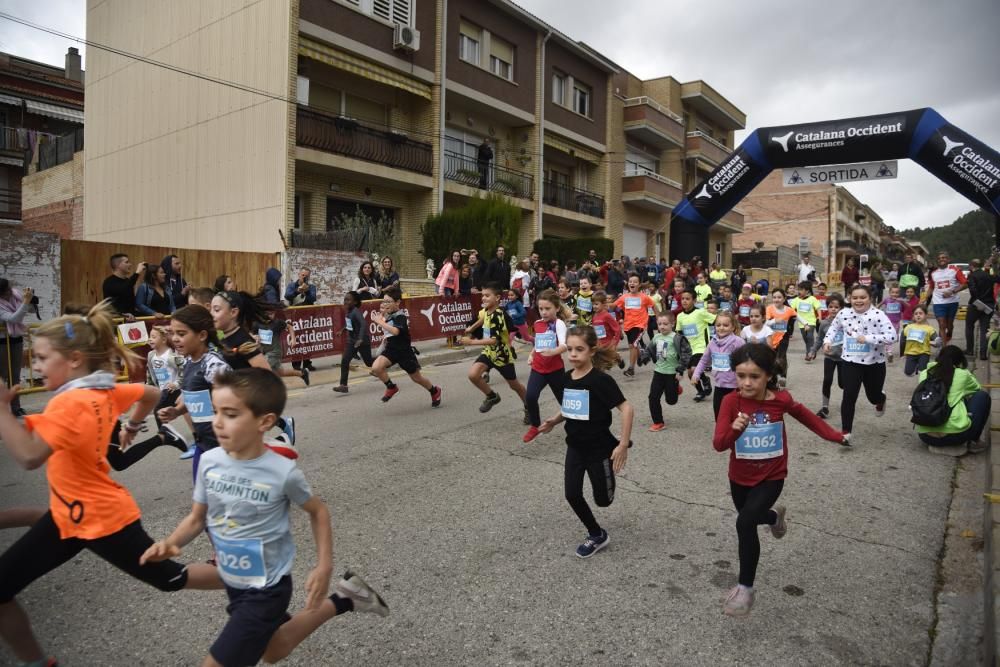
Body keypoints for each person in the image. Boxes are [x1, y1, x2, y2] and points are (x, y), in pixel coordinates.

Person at [0, 302, 224, 667]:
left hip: (102, 518)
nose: (34, 366)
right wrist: (132, 427)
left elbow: (28, 457)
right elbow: (149, 395)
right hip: (69, 517)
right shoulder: (97, 391)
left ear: (73, 359)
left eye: (41, 358)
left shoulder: (69, 403)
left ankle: (249, 583)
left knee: (170, 579)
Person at [143, 368, 389, 667]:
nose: (217, 422)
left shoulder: (281, 472)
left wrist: (323, 565)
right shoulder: (209, 461)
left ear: (265, 421)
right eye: (215, 411)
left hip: (267, 589)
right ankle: (346, 598)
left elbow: (318, 511)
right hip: (235, 582)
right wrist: (171, 542)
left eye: (230, 414)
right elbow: (197, 518)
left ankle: (343, 597)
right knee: (274, 650)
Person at [712, 344, 847, 617]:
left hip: (772, 475)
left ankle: (745, 589)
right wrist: (734, 430)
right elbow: (719, 444)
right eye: (741, 376)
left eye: (755, 376)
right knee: (751, 517)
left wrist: (834, 435)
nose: (747, 383)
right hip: (739, 476)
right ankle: (774, 517)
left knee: (744, 521)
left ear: (768, 375)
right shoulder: (730, 402)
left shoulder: (781, 400)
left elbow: (807, 417)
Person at [537, 325, 634, 559]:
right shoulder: (566, 378)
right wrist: (555, 420)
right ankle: (597, 533)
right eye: (569, 349)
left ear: (591, 351)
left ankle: (612, 459)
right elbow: (571, 407)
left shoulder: (600, 381)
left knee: (603, 500)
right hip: (575, 446)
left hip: (599, 448)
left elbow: (627, 408)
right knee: (572, 493)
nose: (572, 355)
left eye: (578, 350)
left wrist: (623, 444)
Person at [210, 291, 298, 445]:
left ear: (233, 312)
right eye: (211, 309)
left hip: (246, 405)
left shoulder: (243, 341)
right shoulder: (225, 338)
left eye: (216, 310)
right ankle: (283, 434)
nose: (212, 314)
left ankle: (283, 440)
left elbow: (266, 376)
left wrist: (255, 405)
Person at [160, 304, 233, 471]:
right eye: (173, 333)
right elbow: (198, 398)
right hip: (204, 444)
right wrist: (177, 411)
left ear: (202, 335)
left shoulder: (213, 366)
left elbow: (235, 405)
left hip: (224, 446)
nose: (175, 339)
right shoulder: (188, 362)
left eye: (181, 333)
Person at [822, 284, 897, 446]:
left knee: (873, 396)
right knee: (849, 395)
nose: (858, 301)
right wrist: (827, 341)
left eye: (862, 297)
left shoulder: (878, 315)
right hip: (850, 361)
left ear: (870, 298)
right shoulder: (844, 313)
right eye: (854, 298)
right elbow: (833, 328)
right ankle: (845, 432)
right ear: (849, 298)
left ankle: (880, 399)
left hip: (874, 363)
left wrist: (868, 338)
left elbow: (892, 336)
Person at [371, 287, 442, 407]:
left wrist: (380, 322)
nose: (385, 304)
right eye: (384, 301)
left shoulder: (400, 316)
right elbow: (387, 331)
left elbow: (396, 331)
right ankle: (391, 387)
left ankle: (434, 390)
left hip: (404, 352)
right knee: (376, 368)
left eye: (388, 301)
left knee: (417, 378)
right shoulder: (387, 314)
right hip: (392, 350)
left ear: (397, 302)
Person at [915, 346, 992, 456]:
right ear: (960, 361)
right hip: (956, 437)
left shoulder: (925, 373)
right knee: (982, 396)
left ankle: (938, 444)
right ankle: (972, 442)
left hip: (926, 436)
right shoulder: (962, 374)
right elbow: (977, 388)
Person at [459, 283, 524, 413]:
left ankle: (529, 406)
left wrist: (470, 342)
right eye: (482, 295)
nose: (483, 298)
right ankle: (492, 396)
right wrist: (472, 328)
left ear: (497, 297)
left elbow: (493, 341)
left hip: (502, 355)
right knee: (473, 375)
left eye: (487, 296)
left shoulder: (498, 316)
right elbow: (483, 318)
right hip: (489, 353)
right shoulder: (487, 310)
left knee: (514, 385)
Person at [518, 290, 571, 443]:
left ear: (557, 309)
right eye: (541, 309)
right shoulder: (537, 324)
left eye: (548, 309)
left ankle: (578, 424)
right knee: (530, 396)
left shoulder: (559, 324)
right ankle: (535, 426)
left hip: (555, 370)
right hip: (538, 368)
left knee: (565, 402)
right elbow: (539, 343)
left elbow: (565, 345)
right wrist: (532, 354)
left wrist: (553, 352)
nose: (544, 312)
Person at [640, 312, 690, 431]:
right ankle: (658, 422)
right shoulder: (656, 337)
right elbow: (649, 349)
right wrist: (644, 357)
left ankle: (676, 387)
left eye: (665, 324)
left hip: (672, 373)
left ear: (672, 324)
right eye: (659, 324)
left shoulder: (677, 338)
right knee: (653, 397)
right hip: (658, 371)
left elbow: (686, 353)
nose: (662, 326)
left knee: (671, 401)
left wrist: (680, 369)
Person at [692, 311, 745, 418]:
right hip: (719, 385)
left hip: (735, 386)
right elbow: (704, 360)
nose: (721, 328)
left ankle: (737, 433)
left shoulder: (738, 342)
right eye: (718, 325)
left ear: (733, 327)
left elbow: (746, 362)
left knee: (735, 415)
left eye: (725, 325)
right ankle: (723, 433)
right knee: (718, 415)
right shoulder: (712, 342)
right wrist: (696, 374)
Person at [676, 289, 717, 401]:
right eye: (683, 299)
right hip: (689, 349)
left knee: (694, 369)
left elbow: (716, 320)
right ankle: (700, 390)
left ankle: (704, 380)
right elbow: (679, 334)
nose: (684, 301)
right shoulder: (680, 316)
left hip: (701, 347)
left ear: (694, 300)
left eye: (687, 299)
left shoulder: (701, 312)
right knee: (690, 373)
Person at [613, 275, 657, 377]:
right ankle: (642, 355)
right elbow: (614, 306)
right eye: (630, 281)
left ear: (639, 284)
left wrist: (659, 318)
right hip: (628, 326)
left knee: (633, 345)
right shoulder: (624, 297)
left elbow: (653, 305)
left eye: (635, 282)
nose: (632, 283)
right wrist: (603, 305)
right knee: (632, 345)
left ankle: (631, 368)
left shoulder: (644, 297)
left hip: (640, 325)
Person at [0, 279, 31, 416]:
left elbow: (27, 309)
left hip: (16, 340)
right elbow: (14, 318)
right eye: (7, 291)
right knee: (2, 376)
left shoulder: (16, 294)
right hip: (1, 342)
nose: (10, 292)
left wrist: (30, 302)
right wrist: (25, 302)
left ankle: (16, 407)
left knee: (15, 375)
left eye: (10, 288)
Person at [811, 294, 845, 419]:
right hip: (829, 357)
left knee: (843, 384)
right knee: (827, 381)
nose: (834, 309)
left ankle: (847, 403)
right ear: (827, 308)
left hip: (844, 358)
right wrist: (813, 350)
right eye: (831, 307)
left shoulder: (846, 323)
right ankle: (825, 407)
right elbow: (819, 339)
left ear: (841, 308)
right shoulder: (824, 323)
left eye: (837, 307)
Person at [333, 291, 374, 394]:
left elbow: (363, 324)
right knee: (345, 361)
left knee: (369, 362)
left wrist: (360, 339)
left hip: (362, 341)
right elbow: (350, 324)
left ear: (355, 302)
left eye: (348, 299)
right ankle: (343, 385)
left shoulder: (356, 311)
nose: (345, 301)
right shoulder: (349, 311)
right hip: (351, 341)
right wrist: (342, 330)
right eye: (345, 299)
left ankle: (385, 361)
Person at [929, 251, 967, 347]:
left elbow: (965, 284)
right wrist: (923, 299)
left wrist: (952, 292)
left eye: (944, 257)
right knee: (942, 324)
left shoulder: (955, 270)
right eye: (939, 258)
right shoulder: (933, 273)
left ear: (948, 260)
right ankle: (944, 348)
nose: (941, 259)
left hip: (952, 302)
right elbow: (931, 287)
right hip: (938, 302)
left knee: (949, 325)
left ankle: (949, 333)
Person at [965, 259, 999, 360]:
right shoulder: (988, 275)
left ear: (971, 266)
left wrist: (978, 303)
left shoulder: (972, 276)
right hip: (989, 304)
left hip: (977, 305)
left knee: (969, 326)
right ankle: (983, 354)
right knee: (984, 329)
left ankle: (970, 350)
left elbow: (973, 290)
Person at [765, 289, 796, 387]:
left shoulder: (788, 309)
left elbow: (797, 316)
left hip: (783, 337)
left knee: (781, 356)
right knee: (772, 357)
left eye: (779, 297)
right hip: (771, 337)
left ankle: (782, 377)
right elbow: (765, 323)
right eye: (774, 297)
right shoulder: (769, 308)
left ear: (784, 299)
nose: (776, 299)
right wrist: (774, 321)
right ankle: (774, 378)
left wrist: (806, 324)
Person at [102, 253, 146, 318]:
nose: (130, 264)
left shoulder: (127, 280)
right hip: (117, 320)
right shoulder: (109, 282)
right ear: (118, 265)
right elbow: (123, 289)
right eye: (126, 262)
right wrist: (137, 272)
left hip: (131, 318)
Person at [902, 306, 940, 377]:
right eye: (916, 314)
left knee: (922, 373)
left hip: (924, 352)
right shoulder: (908, 327)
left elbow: (937, 341)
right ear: (913, 316)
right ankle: (916, 367)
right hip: (911, 352)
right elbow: (902, 340)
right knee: (908, 373)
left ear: (926, 315)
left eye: (920, 313)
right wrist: (902, 353)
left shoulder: (929, 329)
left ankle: (924, 372)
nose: (918, 315)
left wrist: (934, 342)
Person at [789, 281, 821, 362]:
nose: (799, 291)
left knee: (810, 336)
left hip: (811, 322)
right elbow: (791, 309)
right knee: (805, 338)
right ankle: (813, 350)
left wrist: (819, 317)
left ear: (807, 291)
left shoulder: (812, 299)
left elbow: (818, 308)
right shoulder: (796, 300)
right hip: (801, 323)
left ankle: (809, 354)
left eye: (801, 289)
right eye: (798, 289)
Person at [591, 291, 623, 369]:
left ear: (604, 304)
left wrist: (614, 343)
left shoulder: (607, 316)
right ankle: (615, 358)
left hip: (608, 344)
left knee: (606, 364)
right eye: (593, 304)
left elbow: (617, 329)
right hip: (599, 344)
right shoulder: (594, 316)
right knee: (600, 364)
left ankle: (618, 358)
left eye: (596, 304)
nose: (594, 306)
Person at [879, 283, 905, 363]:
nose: (895, 294)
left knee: (895, 337)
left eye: (897, 293)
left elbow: (905, 308)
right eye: (893, 292)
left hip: (897, 322)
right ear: (890, 293)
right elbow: (879, 304)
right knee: (890, 336)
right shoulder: (887, 300)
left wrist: (903, 302)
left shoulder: (900, 301)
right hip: (888, 322)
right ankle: (889, 352)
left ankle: (887, 346)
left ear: (899, 293)